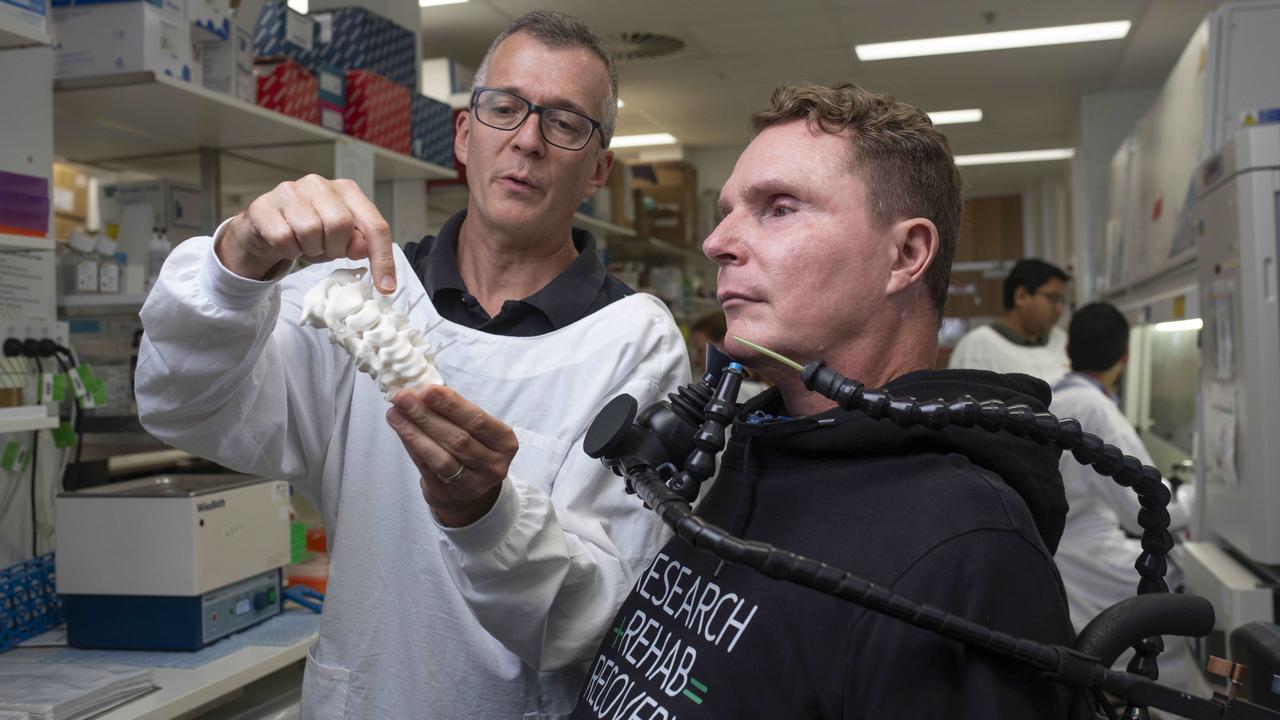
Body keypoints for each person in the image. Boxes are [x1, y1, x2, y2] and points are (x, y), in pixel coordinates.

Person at [135, 11, 689, 719]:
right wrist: (234, 266)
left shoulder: (632, 341)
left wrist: (488, 516)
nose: (527, 140)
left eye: (566, 123)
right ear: (465, 135)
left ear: (597, 171)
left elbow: (604, 614)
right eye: (505, 108)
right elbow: (183, 405)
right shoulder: (359, 287)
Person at [570, 82, 1074, 719]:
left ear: (906, 255)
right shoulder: (762, 455)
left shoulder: (968, 548)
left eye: (779, 208)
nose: (717, 242)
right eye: (726, 211)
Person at [1050, 303, 1192, 685]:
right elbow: (1144, 507)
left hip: (1066, 547)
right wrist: (1196, 500)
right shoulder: (1095, 409)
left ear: (1067, 351)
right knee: (1179, 593)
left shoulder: (1061, 394)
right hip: (1083, 558)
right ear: (1126, 356)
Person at [948, 258, 1071, 383]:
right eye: (1053, 299)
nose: (1059, 310)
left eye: (1061, 301)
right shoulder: (976, 347)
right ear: (1021, 296)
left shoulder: (1062, 341)